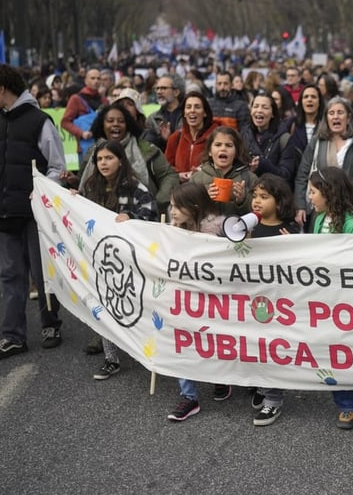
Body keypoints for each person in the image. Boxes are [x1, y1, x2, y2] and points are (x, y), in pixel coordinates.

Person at [0, 64, 66, 362]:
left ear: (1, 88)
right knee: (9, 275)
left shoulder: (40, 121)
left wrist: (42, 190)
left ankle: (51, 325)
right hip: (3, 213)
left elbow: (57, 166)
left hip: (35, 214)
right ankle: (13, 337)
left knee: (44, 275)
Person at [307, 166, 353, 428]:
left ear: (329, 193)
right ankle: (347, 404)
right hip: (325, 299)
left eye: (314, 191)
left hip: (351, 299)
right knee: (333, 352)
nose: (309, 197)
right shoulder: (317, 220)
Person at [76, 140, 158, 380]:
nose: (103, 163)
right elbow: (80, 211)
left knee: (136, 306)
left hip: (131, 259)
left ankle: (144, 352)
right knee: (104, 303)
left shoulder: (135, 187)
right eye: (100, 159)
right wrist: (72, 198)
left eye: (109, 158)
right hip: (102, 258)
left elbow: (151, 214)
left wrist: (130, 217)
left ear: (120, 160)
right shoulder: (91, 186)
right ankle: (111, 359)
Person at [165, 182, 226, 421]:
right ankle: (188, 397)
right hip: (183, 299)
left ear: (195, 206)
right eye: (171, 206)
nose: (173, 211)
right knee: (181, 342)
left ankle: (222, 379)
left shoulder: (219, 228)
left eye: (178, 206)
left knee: (218, 340)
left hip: (214, 298)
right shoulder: (171, 230)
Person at [248, 174, 301, 426]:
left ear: (279, 202)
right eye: (254, 196)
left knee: (272, 349)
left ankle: (273, 400)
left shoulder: (290, 230)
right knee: (255, 346)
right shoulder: (248, 228)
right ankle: (262, 384)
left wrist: (290, 246)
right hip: (253, 300)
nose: (256, 202)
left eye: (264, 197)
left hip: (279, 303)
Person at [78, 102, 179, 212]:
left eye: (121, 121)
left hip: (141, 216)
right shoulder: (92, 151)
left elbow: (168, 175)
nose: (116, 124)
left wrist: (156, 203)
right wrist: (73, 181)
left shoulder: (146, 149)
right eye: (110, 121)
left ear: (128, 125)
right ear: (102, 124)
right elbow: (83, 183)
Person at [294, 97, 353, 230]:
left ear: (348, 117)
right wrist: (300, 205)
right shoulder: (317, 141)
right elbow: (302, 174)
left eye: (340, 112)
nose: (335, 117)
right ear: (326, 118)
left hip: (351, 211)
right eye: (331, 113)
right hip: (322, 211)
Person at [189, 126, 257, 216]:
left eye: (229, 145)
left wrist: (243, 200)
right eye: (218, 145)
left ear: (236, 152)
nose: (223, 149)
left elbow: (258, 213)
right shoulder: (197, 178)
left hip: (236, 228)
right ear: (209, 151)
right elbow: (188, 210)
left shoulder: (249, 178)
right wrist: (205, 200)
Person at [240, 91, 299, 185]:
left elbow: (286, 175)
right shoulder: (243, 134)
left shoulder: (284, 138)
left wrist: (264, 164)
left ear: (273, 114)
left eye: (265, 107)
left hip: (273, 192)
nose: (259, 110)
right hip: (248, 191)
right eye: (255, 106)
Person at [165, 91, 225, 181]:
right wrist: (178, 175)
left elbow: (226, 167)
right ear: (184, 113)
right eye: (188, 107)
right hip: (180, 191)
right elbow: (166, 169)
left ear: (205, 113)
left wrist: (203, 173)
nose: (192, 110)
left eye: (197, 107)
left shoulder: (218, 137)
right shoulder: (175, 138)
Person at [61, 68, 107, 158]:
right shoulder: (76, 99)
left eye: (98, 78)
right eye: (92, 78)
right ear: (86, 81)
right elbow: (65, 122)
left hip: (103, 146)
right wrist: (81, 133)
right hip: (85, 147)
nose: (96, 81)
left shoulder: (104, 100)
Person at [146, 76, 184, 151]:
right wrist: (163, 140)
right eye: (157, 88)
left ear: (176, 92)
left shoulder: (188, 115)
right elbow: (149, 148)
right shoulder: (152, 119)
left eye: (163, 88)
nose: (159, 92)